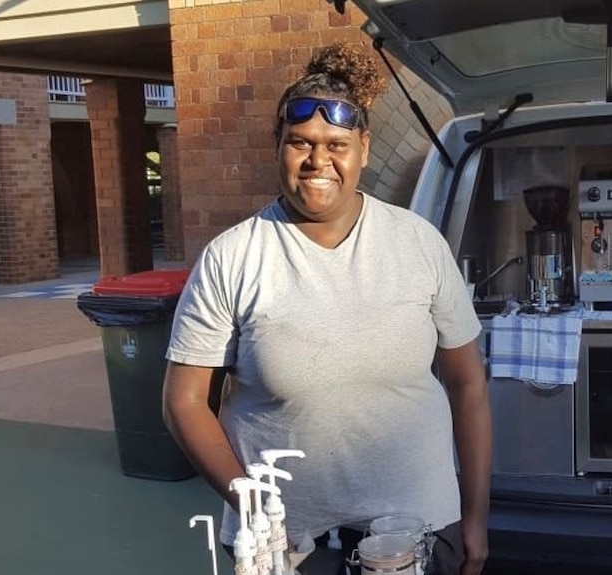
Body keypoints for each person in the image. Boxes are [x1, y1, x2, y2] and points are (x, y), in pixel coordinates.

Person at [162, 43, 492, 575]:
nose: (319, 161)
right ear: (278, 146)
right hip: (288, 544)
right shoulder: (232, 257)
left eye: (337, 144)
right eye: (300, 143)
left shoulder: (418, 244)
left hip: (419, 529)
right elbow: (184, 401)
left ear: (363, 147)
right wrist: (253, 507)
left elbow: (467, 383)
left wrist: (475, 516)